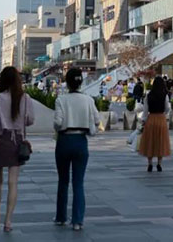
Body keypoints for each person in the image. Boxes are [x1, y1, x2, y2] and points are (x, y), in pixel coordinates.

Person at [0, 66, 35, 232]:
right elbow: (30, 120)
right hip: (17, 142)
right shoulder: (26, 98)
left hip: (1, 141)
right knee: (13, 182)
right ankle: (8, 221)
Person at [53, 68, 101, 231]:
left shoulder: (61, 99)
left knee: (63, 180)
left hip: (64, 140)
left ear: (67, 82)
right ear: (81, 82)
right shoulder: (88, 100)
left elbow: (58, 122)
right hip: (81, 141)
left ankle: (61, 217)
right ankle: (77, 220)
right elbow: (96, 119)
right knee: (78, 182)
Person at [138, 76, 172, 172]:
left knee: (150, 141)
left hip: (151, 119)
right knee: (160, 141)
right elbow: (167, 108)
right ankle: (159, 163)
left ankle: (149, 163)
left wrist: (143, 120)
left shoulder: (148, 95)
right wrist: (163, 114)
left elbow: (145, 110)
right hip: (161, 119)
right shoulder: (165, 95)